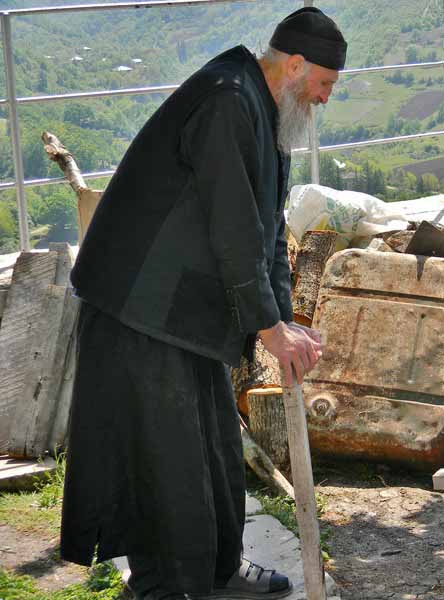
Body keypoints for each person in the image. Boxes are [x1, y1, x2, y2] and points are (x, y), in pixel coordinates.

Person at [60, 8, 347, 600]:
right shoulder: (226, 100)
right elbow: (233, 227)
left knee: (214, 450)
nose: (322, 101)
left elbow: (268, 228)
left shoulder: (269, 113)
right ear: (294, 66)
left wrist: (283, 317)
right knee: (165, 466)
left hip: (184, 312)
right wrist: (268, 328)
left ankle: (219, 569)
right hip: (139, 310)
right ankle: (168, 588)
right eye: (322, 86)